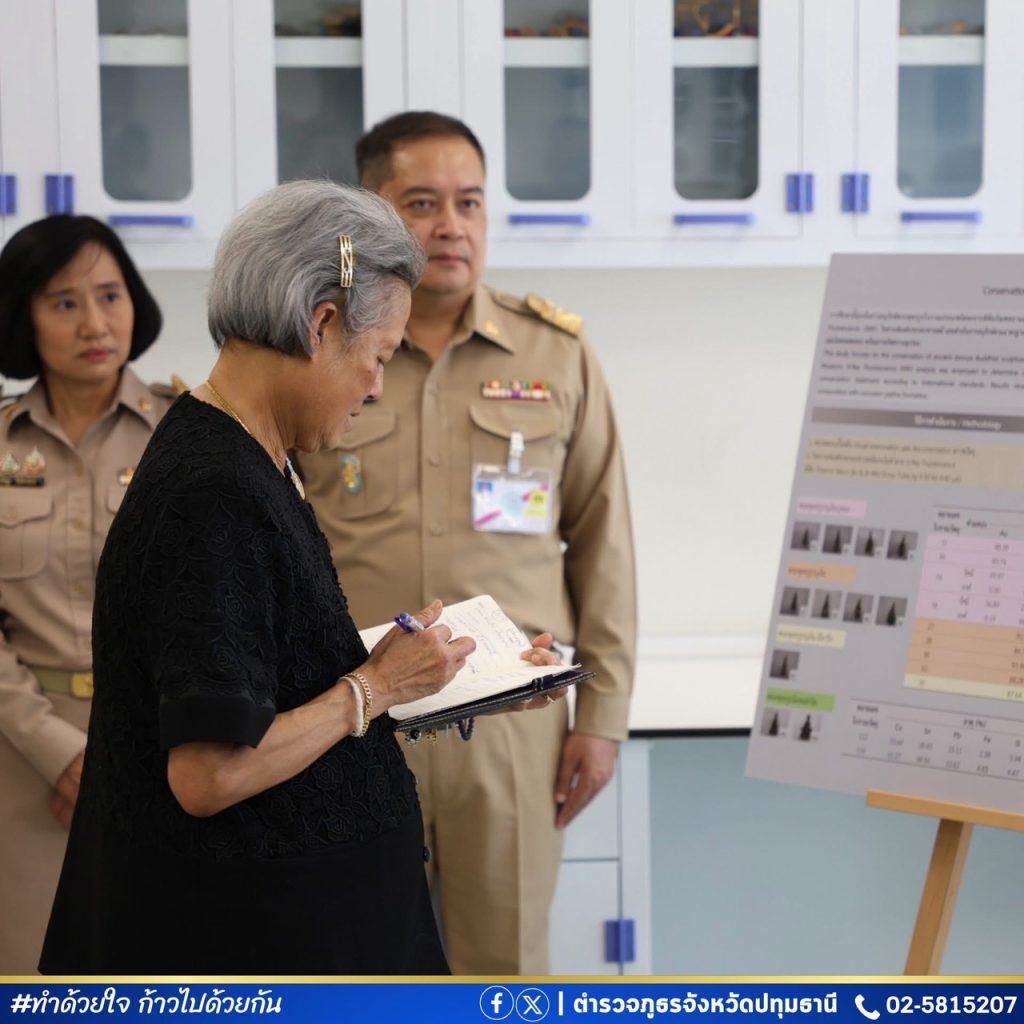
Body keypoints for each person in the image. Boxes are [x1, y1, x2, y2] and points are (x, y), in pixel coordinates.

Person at [39, 181, 560, 975]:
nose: (377, 387)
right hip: (253, 952)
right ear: (321, 325)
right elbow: (210, 772)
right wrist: (374, 688)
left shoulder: (250, 457)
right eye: (378, 357)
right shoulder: (214, 491)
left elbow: (268, 677)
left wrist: (440, 677)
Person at [297, 111, 638, 974]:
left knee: (505, 971)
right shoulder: (319, 350)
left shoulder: (555, 353)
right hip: (359, 717)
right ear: (367, 214)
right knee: (359, 969)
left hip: (512, 724)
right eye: (422, 202)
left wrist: (602, 719)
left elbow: (604, 543)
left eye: (470, 202)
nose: (451, 225)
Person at [0, 214, 175, 974]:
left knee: (167, 980)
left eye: (110, 295)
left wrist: (128, 751)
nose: (95, 324)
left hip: (172, 749)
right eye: (64, 302)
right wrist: (59, 753)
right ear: (23, 317)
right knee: (35, 982)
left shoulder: (189, 433)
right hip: (24, 760)